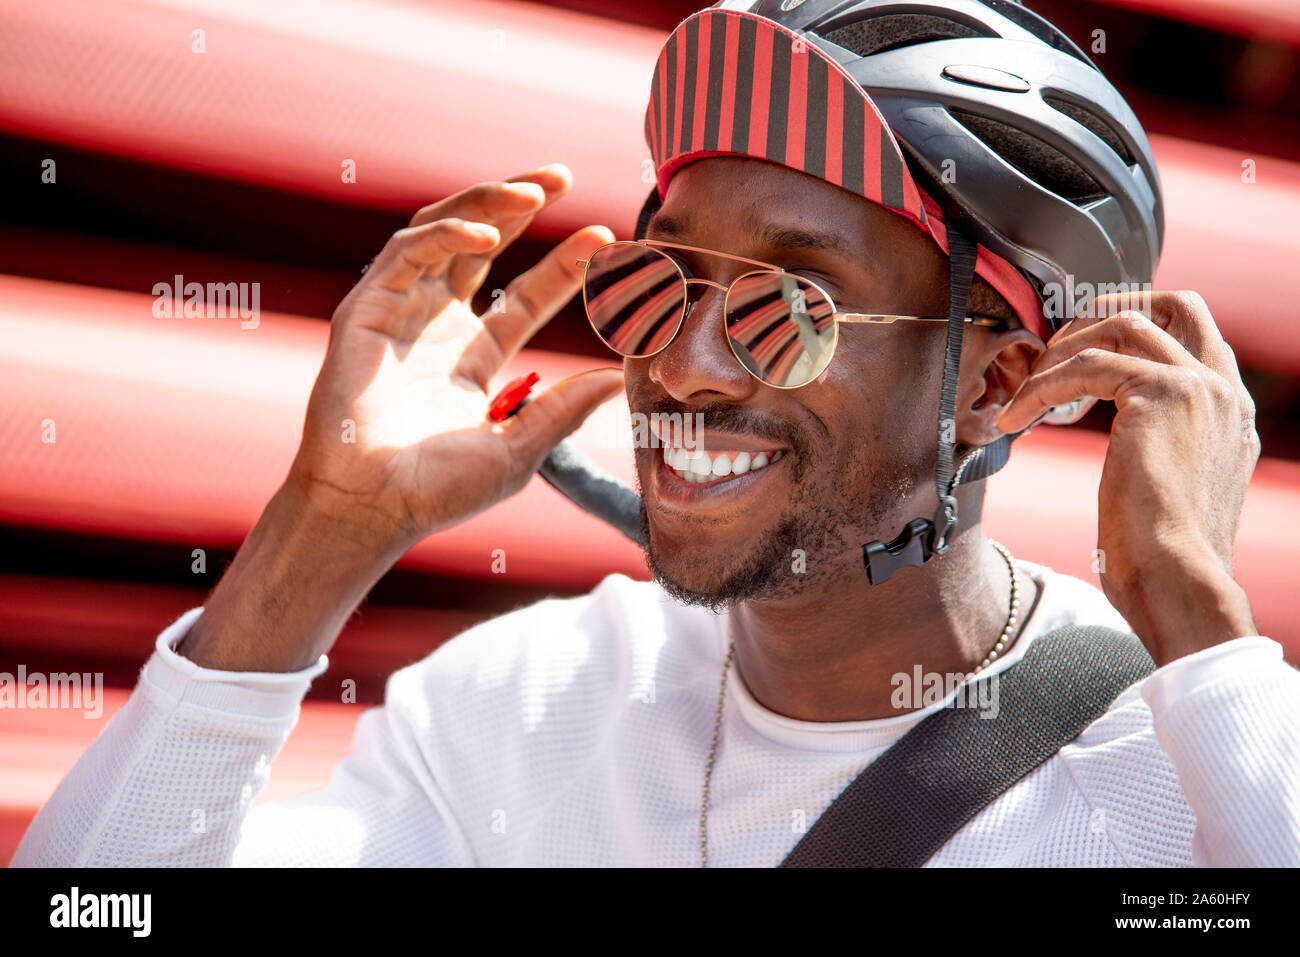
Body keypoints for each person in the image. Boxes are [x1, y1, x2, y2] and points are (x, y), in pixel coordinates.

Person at [14, 0, 1300, 867]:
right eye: (657, 284)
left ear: (995, 382)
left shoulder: (1184, 771)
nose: (679, 368)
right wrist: (321, 539)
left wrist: (1191, 612)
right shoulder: (519, 706)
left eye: (788, 307)